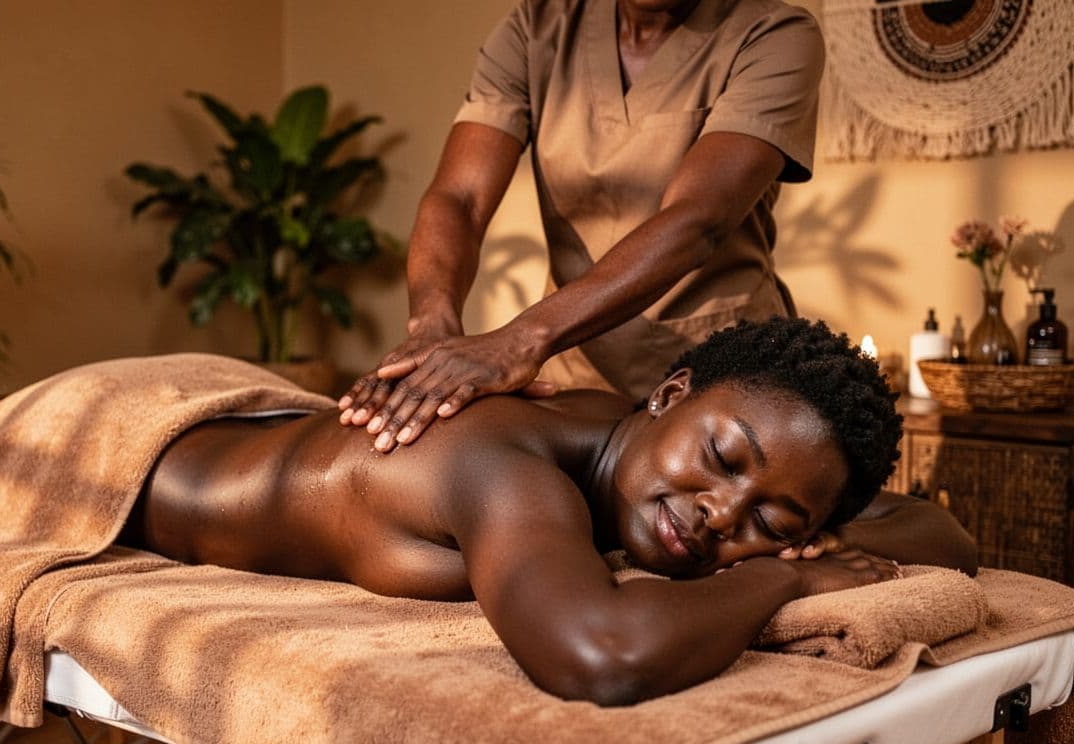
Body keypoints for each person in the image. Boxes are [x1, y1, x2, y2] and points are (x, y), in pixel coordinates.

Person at [0, 318, 976, 705]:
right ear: (670, 397)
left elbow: (946, 535)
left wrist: (814, 536)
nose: (718, 514)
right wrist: (785, 577)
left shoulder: (622, 446)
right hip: (115, 444)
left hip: (239, 418)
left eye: (770, 518)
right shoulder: (507, 470)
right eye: (722, 458)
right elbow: (596, 654)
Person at [339, 0, 825, 453]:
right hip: (576, 375)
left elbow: (697, 220)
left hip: (725, 383)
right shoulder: (540, 25)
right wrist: (432, 327)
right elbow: (460, 198)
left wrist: (518, 342)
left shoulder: (773, 33)